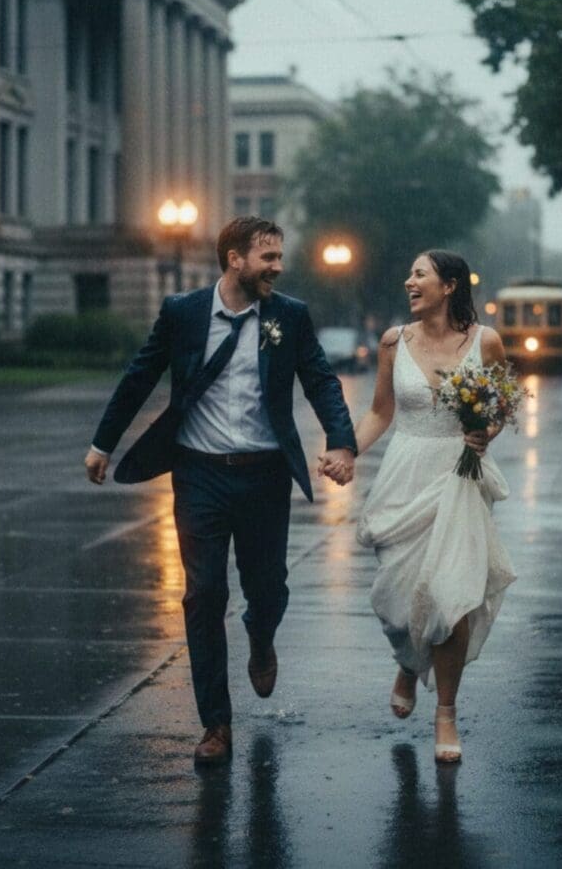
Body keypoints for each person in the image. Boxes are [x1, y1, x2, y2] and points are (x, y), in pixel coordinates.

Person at [84, 217, 357, 765]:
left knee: (269, 588)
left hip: (264, 475)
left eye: (280, 257)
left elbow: (321, 379)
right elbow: (140, 376)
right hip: (200, 474)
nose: (278, 267)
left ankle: (261, 634)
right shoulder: (182, 313)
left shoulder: (290, 316)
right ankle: (216, 725)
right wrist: (103, 443)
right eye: (268, 257)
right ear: (234, 258)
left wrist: (342, 442)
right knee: (203, 593)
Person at [328, 250, 516, 764]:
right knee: (397, 600)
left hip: (459, 481)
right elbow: (379, 413)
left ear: (449, 285)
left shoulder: (486, 342)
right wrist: (345, 450)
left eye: (420, 274)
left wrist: (486, 433)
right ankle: (409, 665)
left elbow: (502, 405)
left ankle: (447, 714)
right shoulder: (394, 342)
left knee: (452, 601)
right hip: (405, 479)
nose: (409, 281)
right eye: (409, 273)